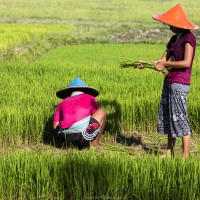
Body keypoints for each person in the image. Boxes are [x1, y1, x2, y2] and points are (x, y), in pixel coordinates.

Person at [139, 4, 199, 159]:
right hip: (169, 81)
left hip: (180, 83)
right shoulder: (174, 39)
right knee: (169, 117)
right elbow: (162, 60)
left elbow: (186, 62)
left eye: (170, 24)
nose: (168, 26)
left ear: (178, 24)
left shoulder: (189, 38)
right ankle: (169, 151)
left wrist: (165, 64)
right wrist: (144, 63)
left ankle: (185, 155)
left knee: (180, 118)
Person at [53, 77, 106, 150]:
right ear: (85, 91)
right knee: (101, 112)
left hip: (65, 139)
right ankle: (95, 143)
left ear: (69, 92)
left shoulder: (61, 104)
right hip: (83, 137)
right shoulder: (90, 98)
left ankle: (68, 145)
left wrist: (64, 138)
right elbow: (97, 119)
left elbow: (55, 126)